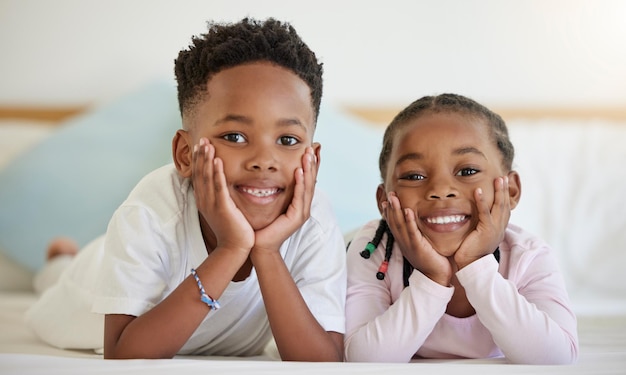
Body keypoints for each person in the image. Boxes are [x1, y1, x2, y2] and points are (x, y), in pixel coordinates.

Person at [25, 17, 346, 361]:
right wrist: (232, 248)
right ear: (184, 154)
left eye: (287, 139)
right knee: (58, 283)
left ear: (312, 158)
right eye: (235, 137)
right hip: (89, 287)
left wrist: (266, 252)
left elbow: (323, 361)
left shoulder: (315, 221)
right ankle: (60, 260)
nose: (264, 160)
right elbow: (123, 354)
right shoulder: (150, 214)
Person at [343, 93, 578, 364]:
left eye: (467, 171)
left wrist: (475, 265)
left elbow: (556, 357)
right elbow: (364, 360)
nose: (441, 190)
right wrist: (432, 278)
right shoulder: (373, 250)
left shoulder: (528, 256)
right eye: (414, 176)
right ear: (384, 200)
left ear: (510, 189)